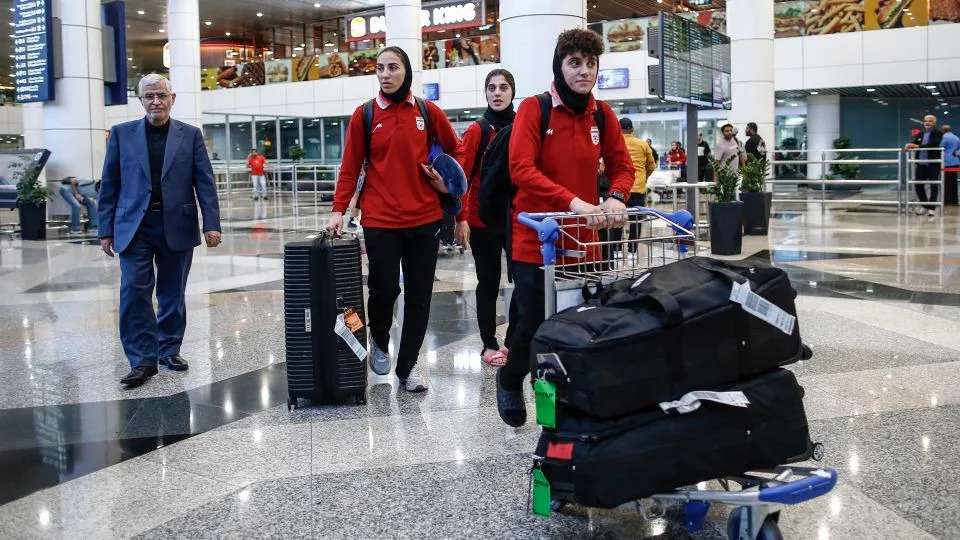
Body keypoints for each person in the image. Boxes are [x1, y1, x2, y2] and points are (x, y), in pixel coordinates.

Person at [496, 28, 635, 427]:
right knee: (530, 326)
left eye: (591, 64)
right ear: (559, 64)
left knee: (580, 325)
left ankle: (566, 403)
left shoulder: (602, 114)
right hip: (536, 240)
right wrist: (573, 202)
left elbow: (623, 167)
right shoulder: (534, 110)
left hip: (584, 241)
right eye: (575, 63)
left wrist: (617, 197)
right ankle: (510, 379)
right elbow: (521, 169)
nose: (584, 71)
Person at [326, 46, 463, 393]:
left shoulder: (428, 112)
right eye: (380, 68)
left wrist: (447, 183)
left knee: (420, 296)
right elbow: (350, 166)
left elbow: (457, 150)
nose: (385, 74)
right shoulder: (366, 114)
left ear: (407, 72)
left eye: (392, 68)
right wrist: (338, 210)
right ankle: (381, 339)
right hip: (381, 220)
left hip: (425, 219)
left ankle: (409, 366)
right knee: (384, 290)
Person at [98, 74, 222, 388]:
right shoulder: (121, 134)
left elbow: (204, 182)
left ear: (172, 98)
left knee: (171, 293)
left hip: (176, 223)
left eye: (161, 95)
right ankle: (141, 360)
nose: (156, 101)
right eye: (149, 96)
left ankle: (169, 349)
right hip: (134, 226)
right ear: (140, 101)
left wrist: (212, 224)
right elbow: (109, 184)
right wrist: (105, 230)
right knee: (134, 292)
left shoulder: (190, 135)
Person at [455, 68, 517, 368]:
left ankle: (516, 339)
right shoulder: (478, 130)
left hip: (518, 219)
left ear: (512, 91)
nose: (497, 93)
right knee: (488, 282)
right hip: (483, 219)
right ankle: (488, 343)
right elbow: (462, 177)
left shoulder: (523, 126)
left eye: (503, 87)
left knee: (523, 281)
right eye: (491, 87)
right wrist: (461, 218)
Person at [609, 117, 656, 256]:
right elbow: (651, 165)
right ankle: (632, 252)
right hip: (638, 188)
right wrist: (643, 177)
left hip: (619, 189)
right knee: (636, 220)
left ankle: (616, 250)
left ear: (618, 129)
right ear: (632, 130)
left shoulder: (614, 144)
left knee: (617, 219)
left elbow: (604, 166)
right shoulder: (643, 145)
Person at [905, 114, 943, 216]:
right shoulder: (920, 133)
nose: (927, 122)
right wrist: (908, 146)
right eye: (926, 120)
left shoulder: (938, 132)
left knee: (934, 186)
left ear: (934, 123)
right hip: (921, 165)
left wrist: (915, 145)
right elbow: (914, 143)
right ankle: (925, 205)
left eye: (930, 121)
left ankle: (932, 208)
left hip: (933, 165)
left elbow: (933, 145)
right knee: (918, 185)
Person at [941, 125, 959, 206]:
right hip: (955, 162)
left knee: (946, 182)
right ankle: (954, 200)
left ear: (942, 130)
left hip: (946, 162)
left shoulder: (944, 138)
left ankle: (947, 201)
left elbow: (940, 148)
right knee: (953, 182)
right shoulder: (957, 138)